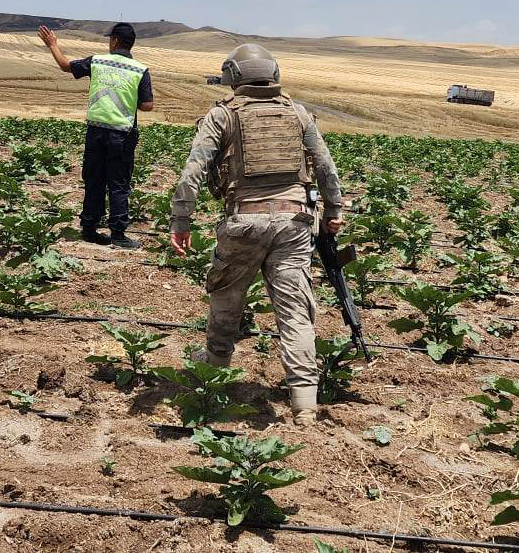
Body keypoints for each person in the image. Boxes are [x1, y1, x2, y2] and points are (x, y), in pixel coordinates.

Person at [169, 44, 345, 423]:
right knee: (295, 311)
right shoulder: (297, 113)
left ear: (232, 76)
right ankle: (304, 402)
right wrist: (333, 212)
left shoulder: (222, 115)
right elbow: (326, 168)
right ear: (274, 73)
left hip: (244, 222)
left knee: (226, 298)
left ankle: (214, 369)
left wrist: (181, 222)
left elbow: (192, 173)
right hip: (295, 223)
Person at [39, 22, 154, 249]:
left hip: (96, 132)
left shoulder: (97, 61)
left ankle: (89, 229)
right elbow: (147, 105)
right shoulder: (140, 70)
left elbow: (65, 65)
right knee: (118, 184)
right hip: (122, 135)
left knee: (94, 180)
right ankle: (118, 234)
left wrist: (52, 44)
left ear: (115, 41)